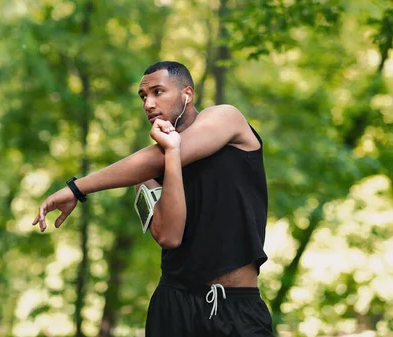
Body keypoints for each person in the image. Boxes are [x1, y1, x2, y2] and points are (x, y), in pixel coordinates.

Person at [32, 61, 274, 336]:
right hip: (174, 307)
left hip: (236, 309)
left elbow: (161, 156)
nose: (148, 103)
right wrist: (170, 155)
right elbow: (170, 237)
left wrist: (77, 188)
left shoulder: (226, 118)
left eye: (158, 92)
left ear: (187, 94)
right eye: (143, 96)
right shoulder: (146, 170)